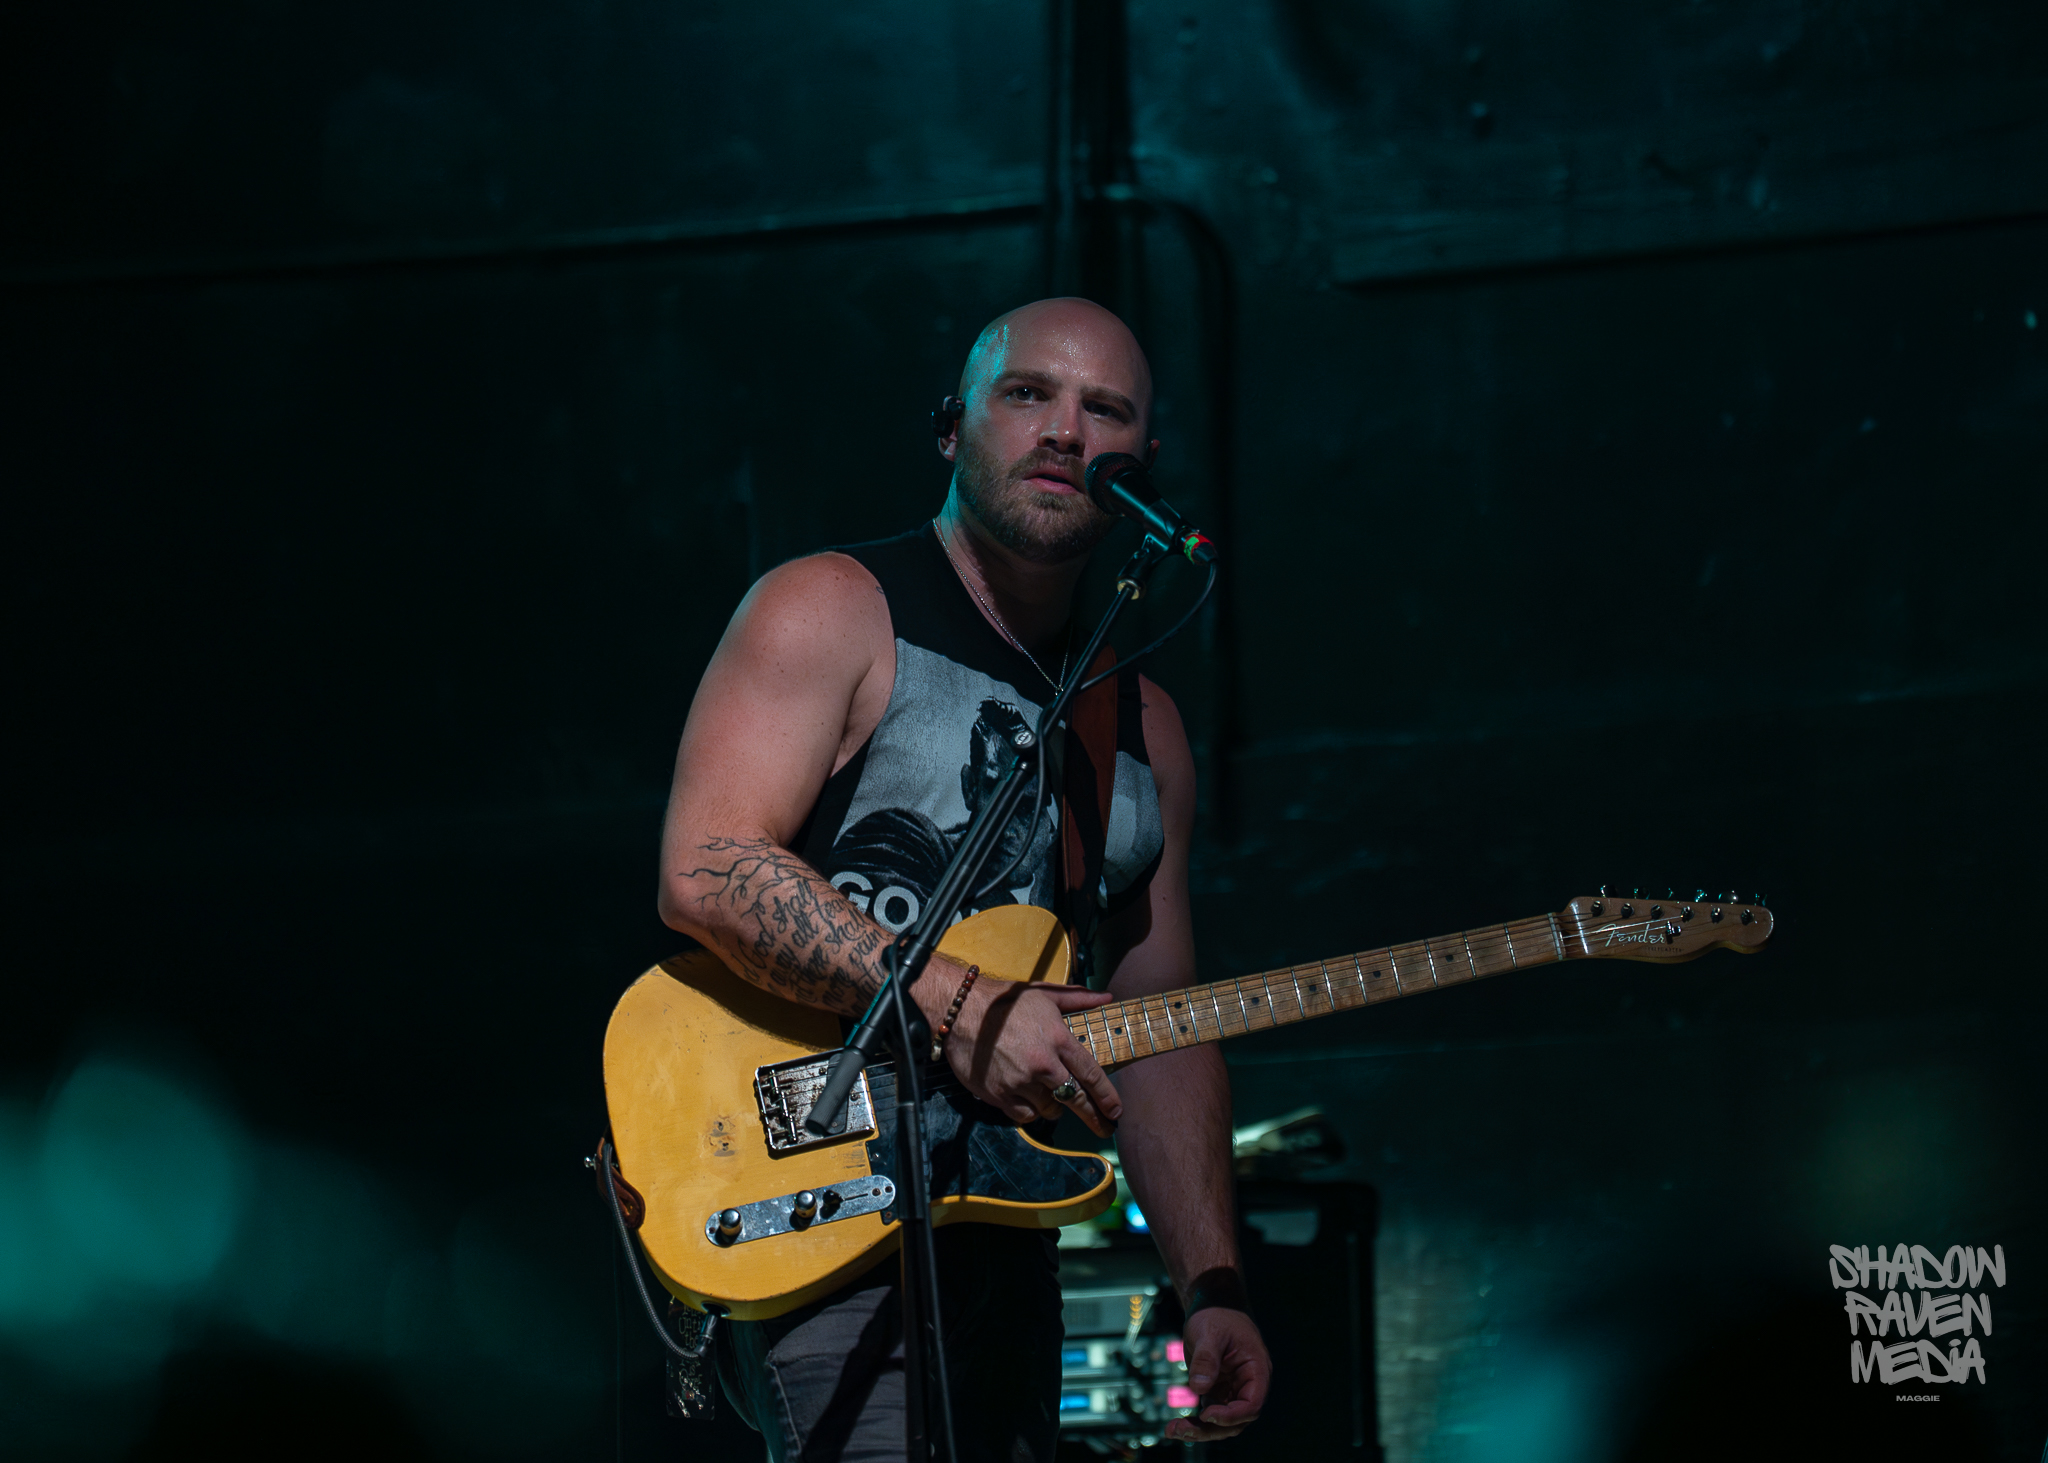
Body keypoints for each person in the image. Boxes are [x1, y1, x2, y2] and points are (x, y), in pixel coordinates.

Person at [657, 297, 1270, 1462]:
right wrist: (958, 999)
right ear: (953, 429)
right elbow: (706, 866)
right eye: (1026, 393)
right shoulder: (832, 607)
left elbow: (1162, 1027)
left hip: (1004, 1232)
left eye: (1104, 410)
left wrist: (1211, 1278)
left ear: (1138, 463)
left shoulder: (1146, 734)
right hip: (818, 1186)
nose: (1063, 430)